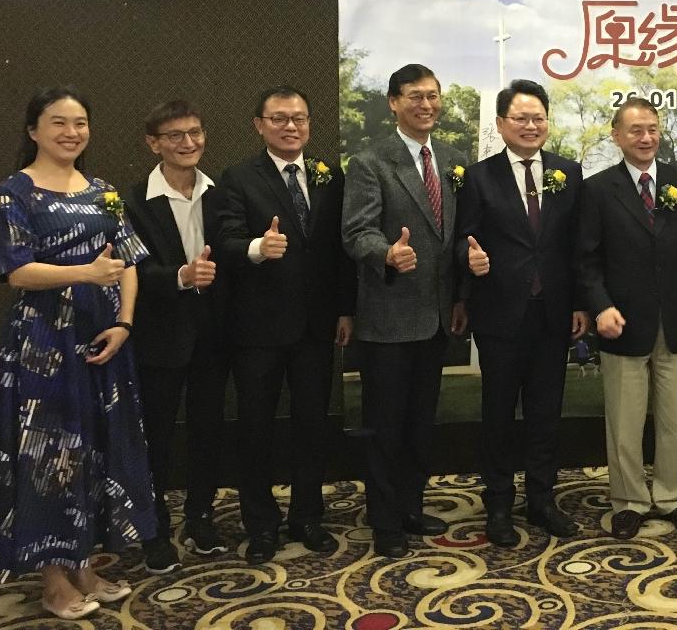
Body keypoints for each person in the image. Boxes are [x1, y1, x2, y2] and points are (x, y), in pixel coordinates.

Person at [0, 87, 153, 620]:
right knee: (49, 456)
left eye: (80, 123)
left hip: (105, 336)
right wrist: (85, 273)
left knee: (100, 447)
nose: (71, 132)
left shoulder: (102, 190)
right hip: (44, 344)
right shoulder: (13, 193)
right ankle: (52, 577)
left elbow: (126, 261)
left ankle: (84, 562)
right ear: (33, 130)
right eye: (58, 122)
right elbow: (16, 271)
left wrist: (125, 322)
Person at [215, 85, 355, 564]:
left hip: (317, 328)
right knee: (256, 429)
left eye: (299, 118)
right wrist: (257, 248)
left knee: (312, 426)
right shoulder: (236, 179)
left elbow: (338, 251)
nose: (290, 126)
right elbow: (226, 240)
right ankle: (261, 524)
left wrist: (344, 310)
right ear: (259, 125)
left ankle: (308, 518)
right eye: (279, 118)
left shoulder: (328, 176)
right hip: (258, 330)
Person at [342, 64, 468, 558]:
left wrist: (460, 297)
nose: (427, 105)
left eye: (433, 96)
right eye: (415, 96)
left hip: (438, 315)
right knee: (386, 424)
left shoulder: (455, 160)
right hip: (390, 315)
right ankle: (385, 520)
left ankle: (412, 506)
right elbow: (356, 232)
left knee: (420, 422)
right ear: (393, 102)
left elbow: (456, 236)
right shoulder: (371, 162)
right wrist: (386, 254)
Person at [455, 79, 589, 547]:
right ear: (501, 124)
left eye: (538, 118)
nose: (531, 126)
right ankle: (497, 504)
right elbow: (461, 239)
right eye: (521, 118)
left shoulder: (568, 173)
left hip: (553, 316)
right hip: (499, 316)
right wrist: (468, 262)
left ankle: (542, 499)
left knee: (545, 414)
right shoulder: (478, 177)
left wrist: (579, 304)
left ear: (548, 123)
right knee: (497, 414)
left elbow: (578, 247)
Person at [577, 97, 677, 539]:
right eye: (635, 130)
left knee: (676, 418)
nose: (646, 137)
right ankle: (629, 501)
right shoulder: (596, 190)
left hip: (676, 321)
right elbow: (587, 259)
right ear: (616, 136)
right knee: (625, 420)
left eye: (652, 128)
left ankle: (673, 497)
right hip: (621, 323)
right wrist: (601, 306)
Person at [124, 99, 230, 573]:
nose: (188, 143)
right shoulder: (131, 202)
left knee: (209, 432)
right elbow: (131, 275)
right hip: (159, 338)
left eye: (195, 132)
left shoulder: (221, 193)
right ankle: (155, 532)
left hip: (214, 335)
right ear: (153, 143)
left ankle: (201, 518)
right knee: (158, 439)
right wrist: (181, 277)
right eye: (175, 136)